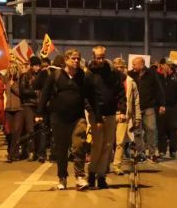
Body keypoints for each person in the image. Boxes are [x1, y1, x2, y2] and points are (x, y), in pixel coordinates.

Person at [39, 48, 91, 190]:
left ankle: (80, 177)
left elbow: (89, 96)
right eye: (73, 58)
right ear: (66, 60)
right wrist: (40, 114)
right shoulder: (55, 75)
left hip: (77, 118)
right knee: (61, 150)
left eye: (78, 59)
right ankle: (62, 177)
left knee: (79, 145)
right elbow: (45, 94)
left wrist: (94, 114)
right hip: (59, 118)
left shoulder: (83, 76)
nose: (76, 61)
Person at [86, 46, 125, 187]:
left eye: (102, 56)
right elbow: (86, 95)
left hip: (110, 113)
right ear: (93, 56)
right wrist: (92, 111)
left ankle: (101, 176)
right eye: (98, 57)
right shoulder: (89, 73)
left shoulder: (113, 72)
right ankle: (91, 173)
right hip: (96, 113)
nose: (101, 59)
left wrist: (121, 110)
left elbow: (120, 91)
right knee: (97, 145)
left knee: (108, 145)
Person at [129, 56, 165, 162]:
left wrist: (162, 104)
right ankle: (140, 153)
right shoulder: (131, 74)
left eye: (134, 64)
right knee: (137, 131)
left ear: (142, 64)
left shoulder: (152, 74)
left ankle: (152, 153)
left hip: (149, 106)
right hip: (136, 108)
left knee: (151, 129)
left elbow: (159, 89)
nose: (132, 66)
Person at [112, 57, 140, 175]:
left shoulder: (131, 82)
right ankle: (105, 164)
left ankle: (117, 166)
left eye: (121, 67)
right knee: (108, 142)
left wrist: (137, 117)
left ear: (125, 68)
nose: (119, 69)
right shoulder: (108, 80)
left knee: (120, 142)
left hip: (124, 115)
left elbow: (136, 101)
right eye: (116, 67)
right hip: (110, 115)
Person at [19, 56, 42, 161]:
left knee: (39, 130)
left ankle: (39, 152)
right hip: (28, 105)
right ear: (31, 66)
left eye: (39, 65)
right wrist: (36, 92)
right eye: (36, 65)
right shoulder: (25, 76)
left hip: (39, 105)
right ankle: (31, 152)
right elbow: (22, 90)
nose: (38, 67)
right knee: (30, 129)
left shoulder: (42, 75)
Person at [157, 61, 177, 159]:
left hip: (173, 107)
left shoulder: (176, 78)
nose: (162, 66)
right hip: (161, 107)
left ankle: (173, 150)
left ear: (169, 66)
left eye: (164, 65)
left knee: (173, 129)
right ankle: (162, 150)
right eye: (161, 65)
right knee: (161, 129)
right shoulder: (159, 77)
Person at [3, 63, 25, 163]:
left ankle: (11, 154)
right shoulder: (6, 80)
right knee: (10, 132)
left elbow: (22, 94)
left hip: (19, 108)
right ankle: (13, 152)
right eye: (10, 68)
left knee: (17, 131)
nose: (12, 70)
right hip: (8, 109)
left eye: (14, 68)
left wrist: (14, 88)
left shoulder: (21, 80)